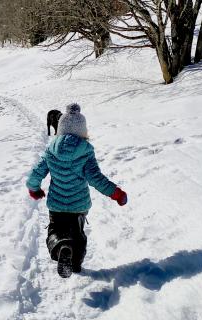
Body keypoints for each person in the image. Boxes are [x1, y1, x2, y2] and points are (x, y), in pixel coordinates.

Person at [27, 103, 128, 278]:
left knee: (55, 232)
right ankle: (75, 262)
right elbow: (96, 178)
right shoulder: (85, 152)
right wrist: (116, 193)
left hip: (57, 206)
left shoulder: (51, 150)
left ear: (60, 129)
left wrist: (34, 189)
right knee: (78, 236)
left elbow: (36, 174)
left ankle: (60, 248)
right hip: (78, 206)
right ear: (83, 131)